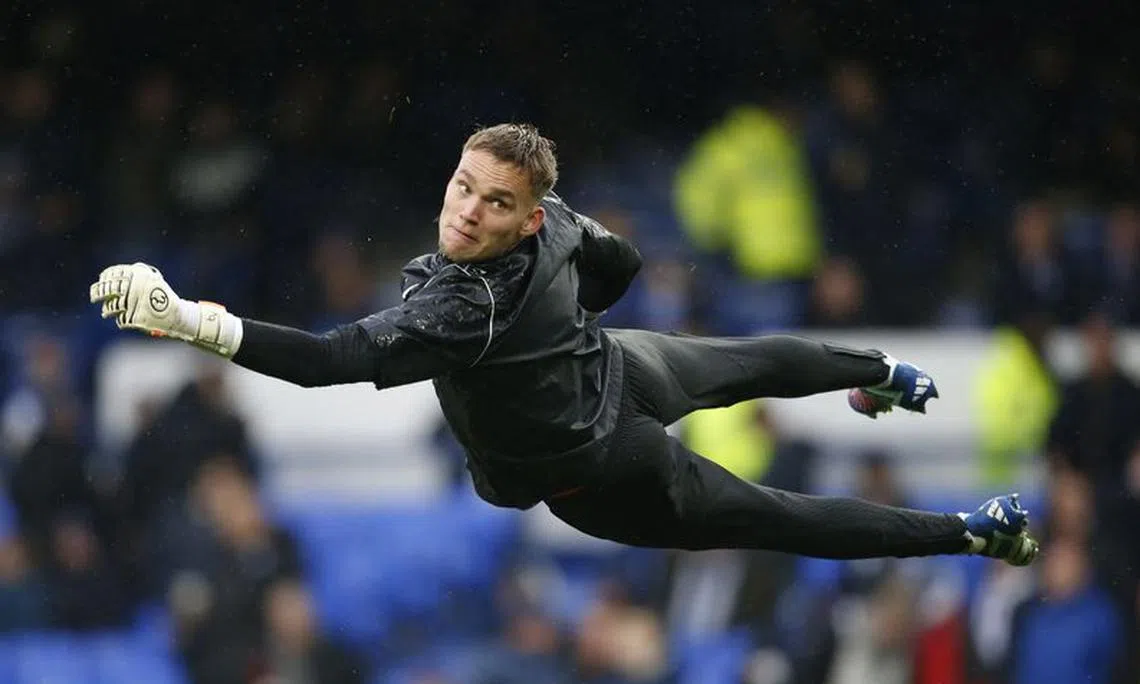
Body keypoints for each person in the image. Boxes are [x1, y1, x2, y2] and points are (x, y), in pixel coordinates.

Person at [90, 123, 1037, 567]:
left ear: (526, 215)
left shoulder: (458, 309)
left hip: (602, 469)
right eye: (463, 185)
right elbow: (620, 264)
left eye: (494, 202)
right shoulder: (566, 225)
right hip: (616, 363)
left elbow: (327, 361)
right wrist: (572, 318)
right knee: (745, 361)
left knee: (774, 516)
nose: (468, 210)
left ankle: (970, 531)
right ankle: (885, 375)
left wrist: (189, 319)